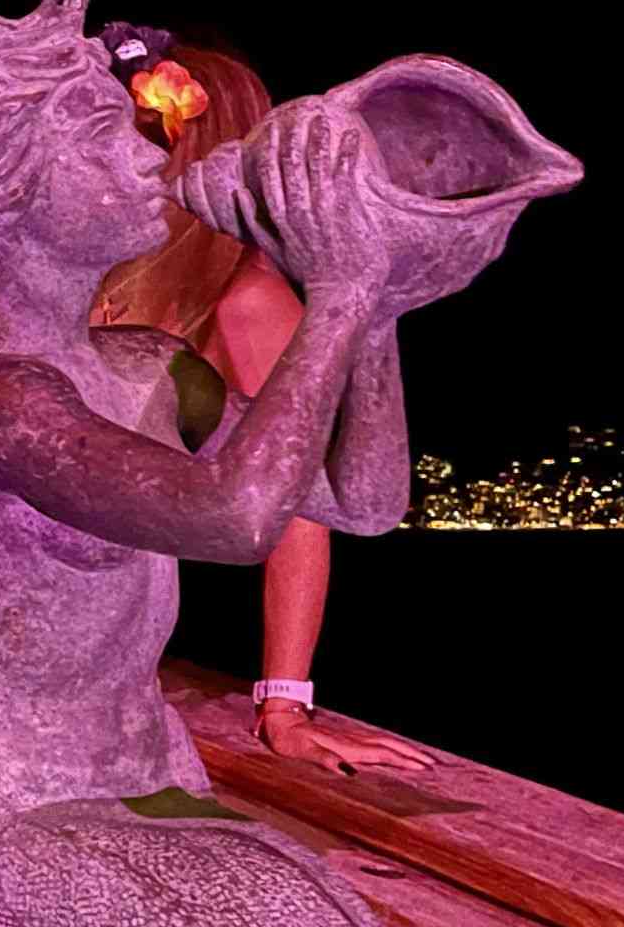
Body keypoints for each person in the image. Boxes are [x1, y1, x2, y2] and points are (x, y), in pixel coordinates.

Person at [93, 38, 431, 777]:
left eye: (136, 131)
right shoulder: (106, 269)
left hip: (130, 649)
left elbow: (297, 511)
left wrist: (284, 705)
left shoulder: (246, 302)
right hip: (20, 627)